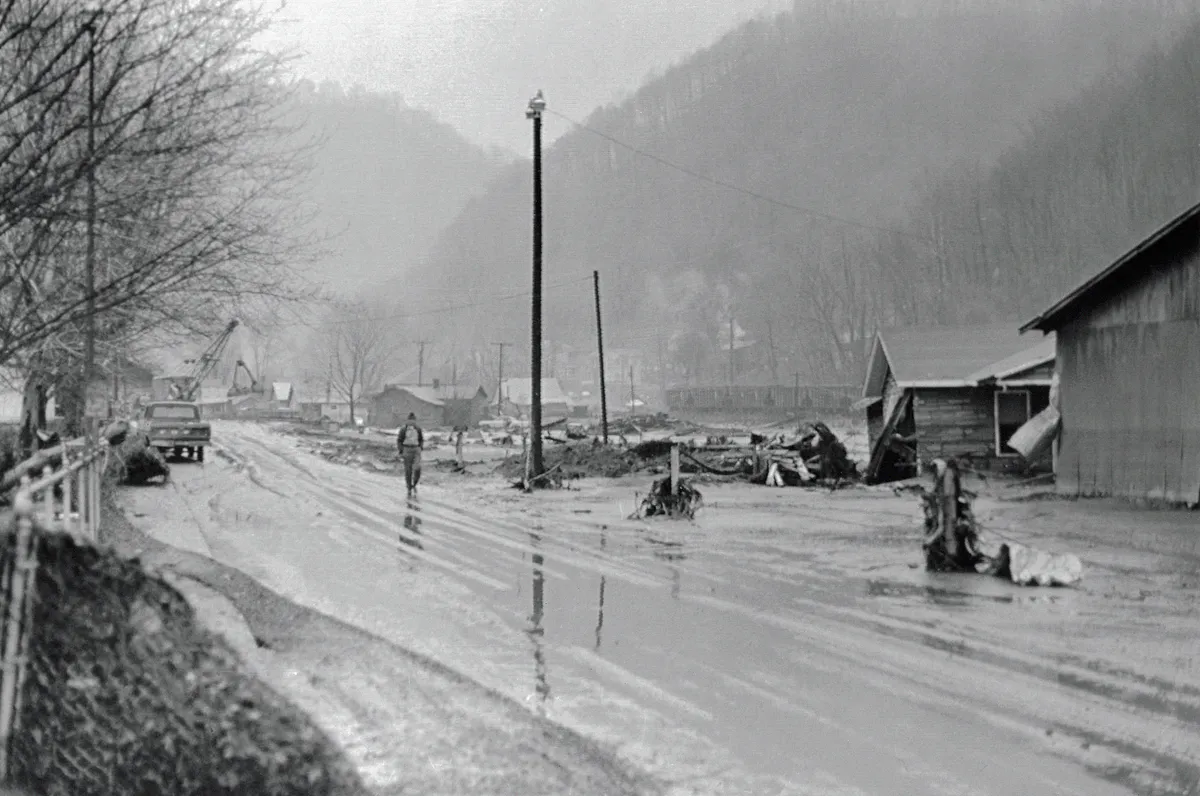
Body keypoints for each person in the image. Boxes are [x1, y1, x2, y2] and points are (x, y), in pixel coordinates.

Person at [397, 412, 424, 495]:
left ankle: (414, 484)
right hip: (406, 449)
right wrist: (401, 450)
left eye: (413, 420)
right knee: (408, 470)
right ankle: (409, 487)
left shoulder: (418, 429)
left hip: (416, 449)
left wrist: (420, 447)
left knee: (417, 468)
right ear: (407, 420)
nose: (412, 422)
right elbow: (399, 440)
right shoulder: (403, 429)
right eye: (410, 420)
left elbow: (421, 439)